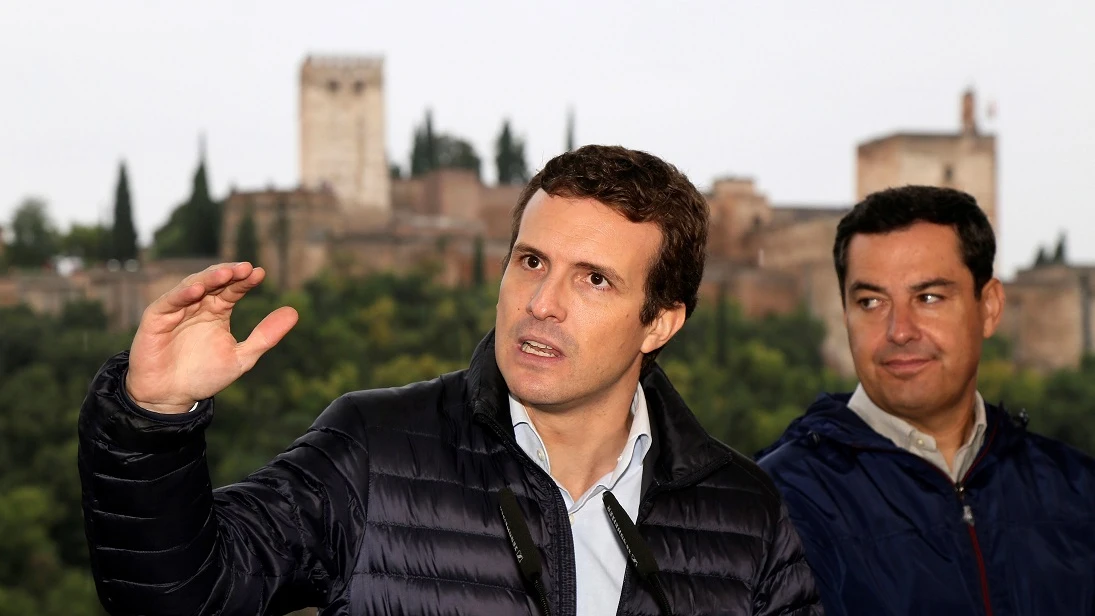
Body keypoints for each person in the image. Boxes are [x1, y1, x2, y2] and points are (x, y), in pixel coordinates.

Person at [79, 145, 821, 616]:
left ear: (658, 323)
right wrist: (152, 418)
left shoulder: (744, 514)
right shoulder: (375, 448)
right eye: (531, 261)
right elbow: (182, 596)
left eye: (593, 280)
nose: (541, 303)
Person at [757, 185, 1095, 615]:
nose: (900, 330)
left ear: (989, 307)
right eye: (871, 302)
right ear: (845, 316)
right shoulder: (773, 506)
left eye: (929, 297)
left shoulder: (1077, 490)